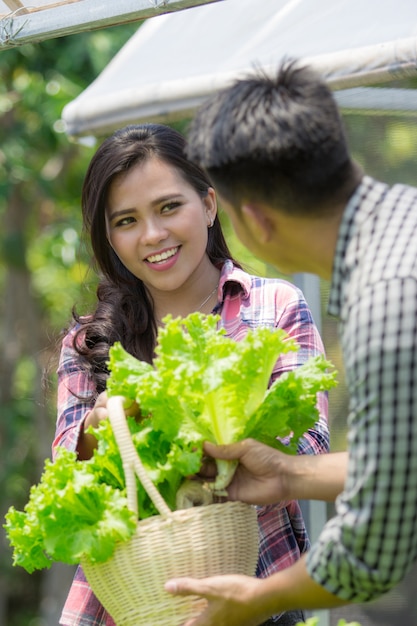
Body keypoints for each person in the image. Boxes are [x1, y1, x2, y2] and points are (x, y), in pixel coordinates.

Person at [163, 59, 417, 625]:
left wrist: (256, 599)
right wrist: (289, 474)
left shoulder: (389, 299)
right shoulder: (405, 223)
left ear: (254, 219)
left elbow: (372, 553)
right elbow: (408, 464)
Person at [53, 123, 330, 626]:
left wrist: (211, 442)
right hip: (129, 604)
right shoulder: (89, 342)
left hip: (255, 595)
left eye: (168, 207)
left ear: (208, 204)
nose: (153, 235)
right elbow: (64, 480)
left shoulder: (273, 306)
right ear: (109, 236)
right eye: (127, 220)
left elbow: (311, 449)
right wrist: (98, 431)